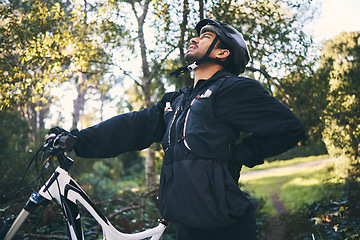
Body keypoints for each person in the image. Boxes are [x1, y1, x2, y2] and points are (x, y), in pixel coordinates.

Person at [54, 19, 305, 239]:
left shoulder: (232, 89)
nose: (194, 38)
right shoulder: (176, 101)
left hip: (226, 227)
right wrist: (76, 140)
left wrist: (240, 156)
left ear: (222, 53)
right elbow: (133, 126)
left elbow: (289, 128)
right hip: (185, 226)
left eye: (206, 36)